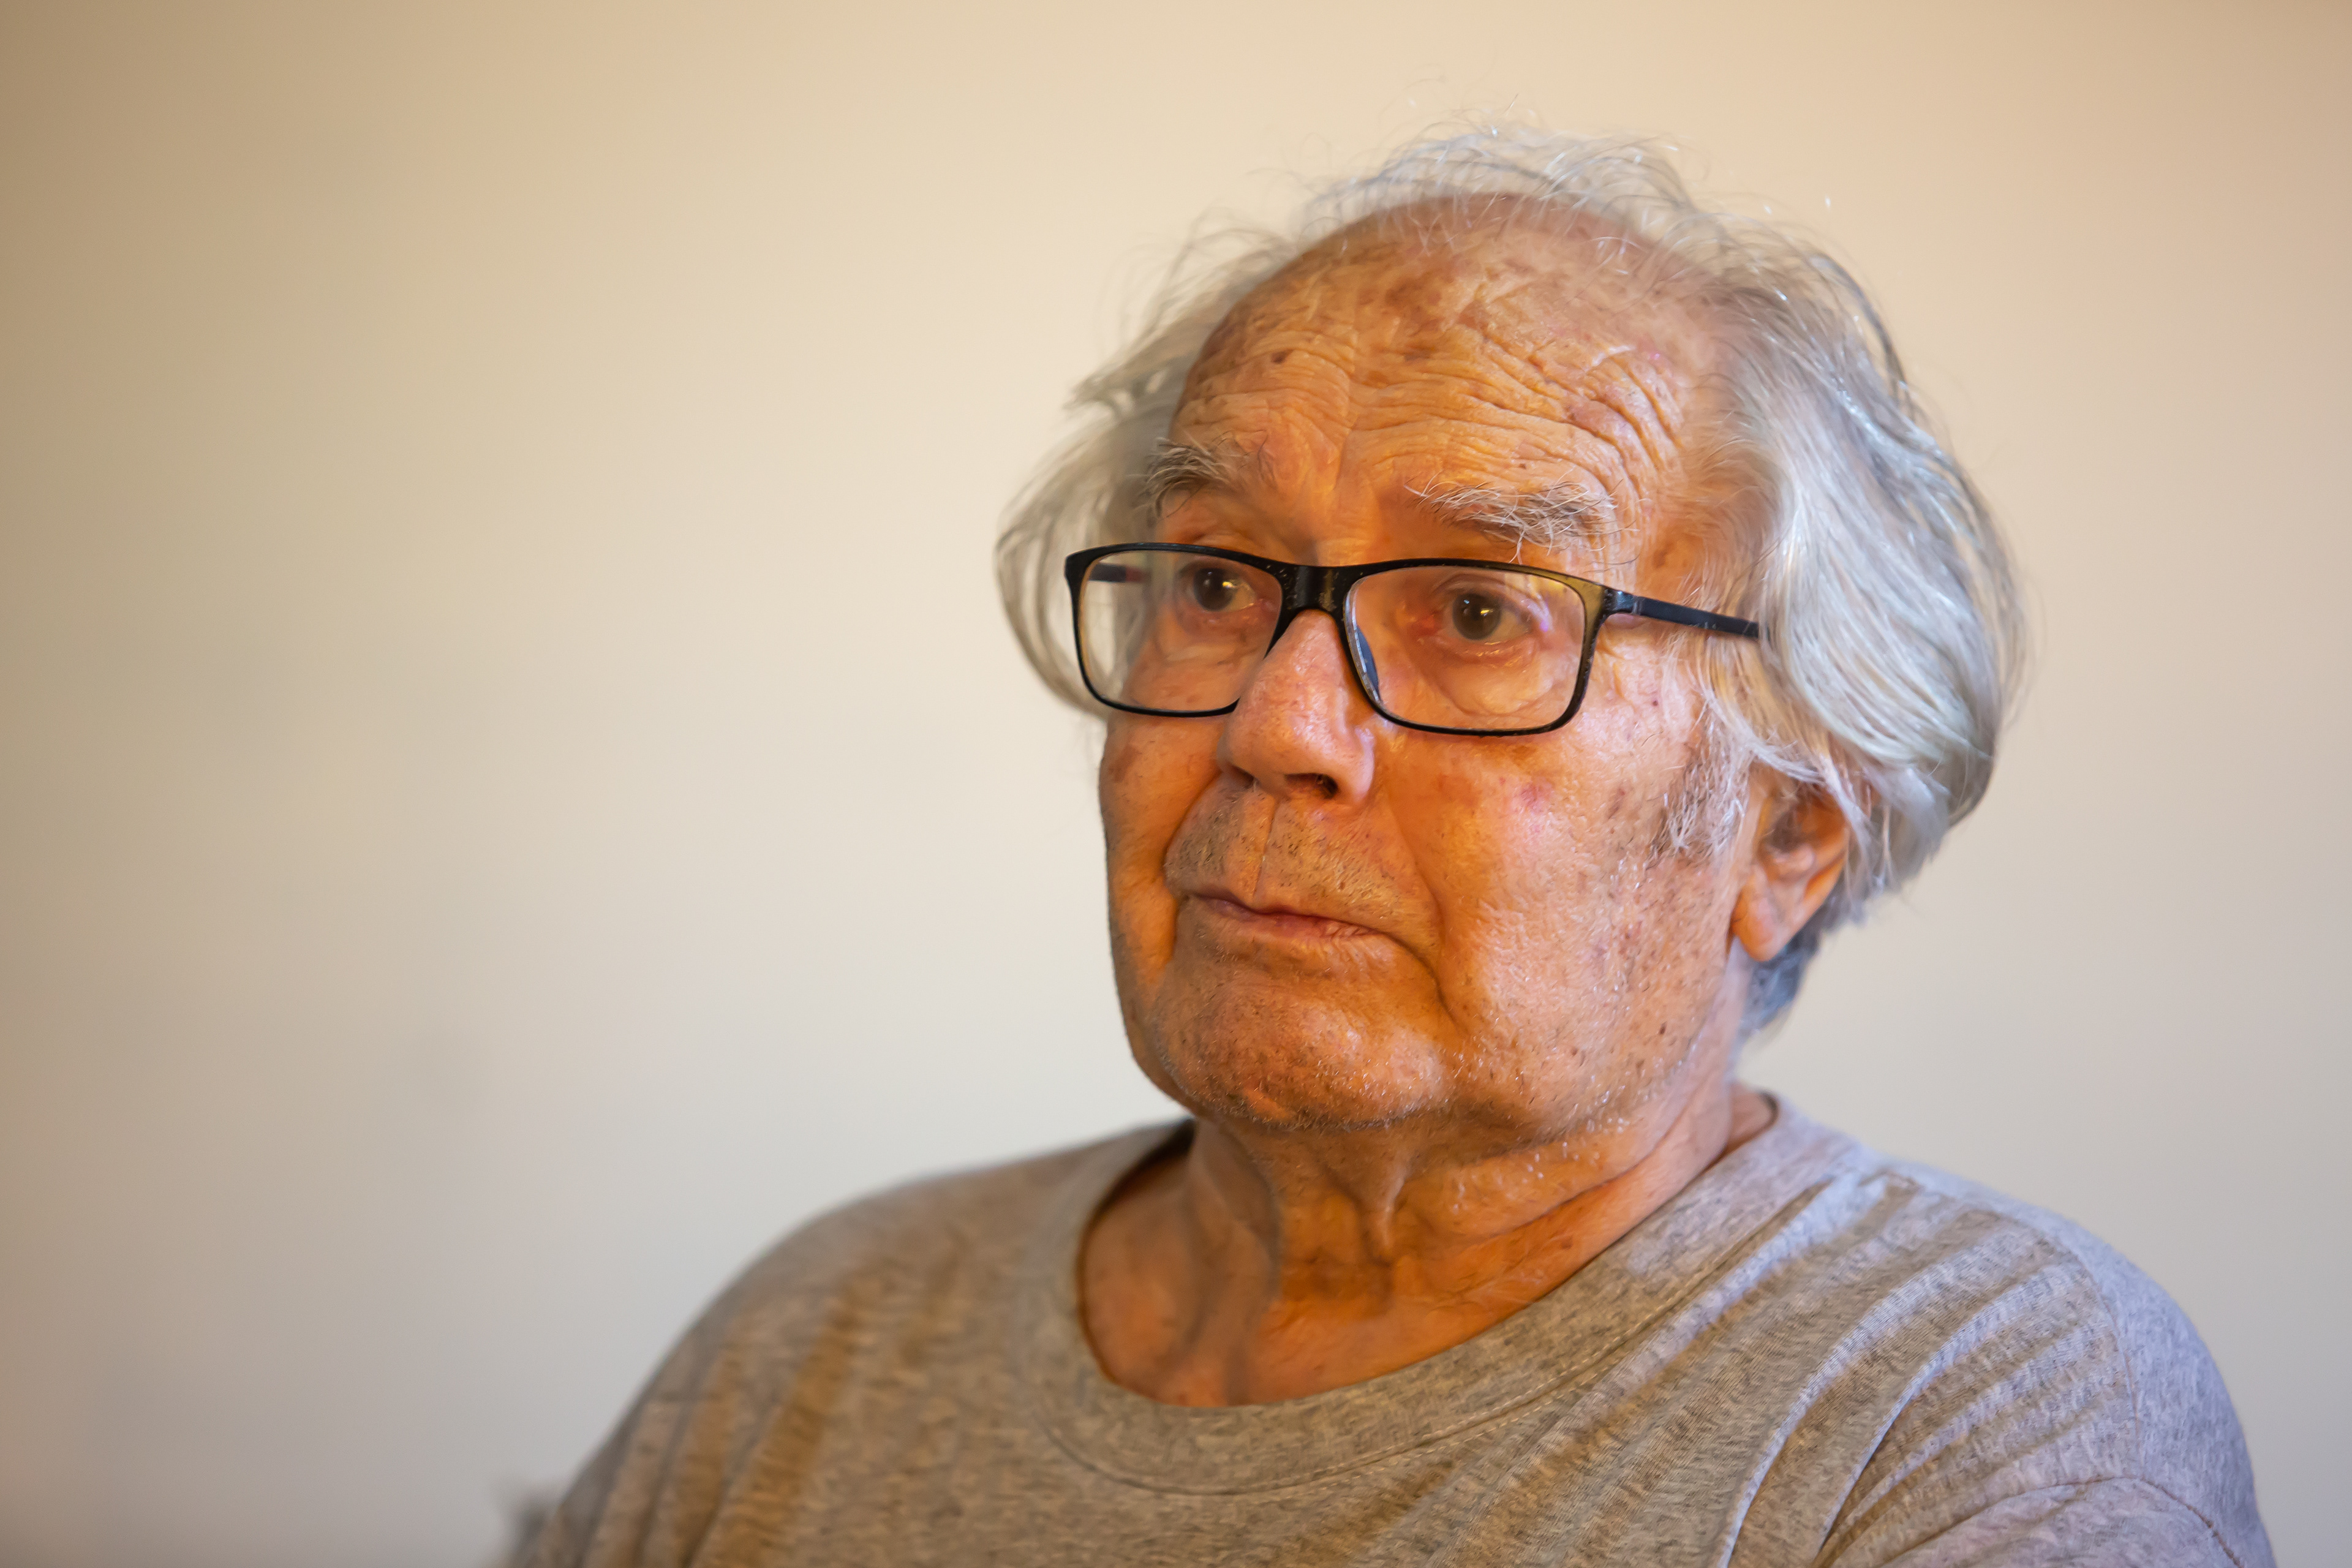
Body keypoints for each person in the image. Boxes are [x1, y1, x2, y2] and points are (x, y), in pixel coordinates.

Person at [521, 129, 2271, 1567]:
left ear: (1788, 832)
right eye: (1218, 583)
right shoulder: (826, 1333)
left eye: (1482, 613)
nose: (1278, 724)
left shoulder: (1973, 1422)